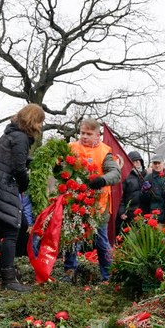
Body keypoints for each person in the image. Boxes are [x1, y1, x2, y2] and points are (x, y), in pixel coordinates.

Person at [0, 103, 45, 292]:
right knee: (12, 229)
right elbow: (18, 168)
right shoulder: (21, 138)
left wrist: (37, 161)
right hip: (3, 185)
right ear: (34, 120)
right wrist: (24, 186)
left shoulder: (11, 133)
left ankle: (2, 266)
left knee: (19, 226)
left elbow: (13, 159)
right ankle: (8, 277)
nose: (41, 126)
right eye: (40, 122)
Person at [63, 118, 122, 282]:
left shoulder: (105, 152)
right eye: (82, 133)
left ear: (98, 135)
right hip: (75, 202)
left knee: (101, 240)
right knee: (72, 237)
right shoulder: (71, 148)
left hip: (98, 205)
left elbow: (115, 173)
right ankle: (70, 271)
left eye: (89, 134)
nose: (84, 137)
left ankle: (108, 276)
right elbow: (59, 165)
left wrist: (102, 180)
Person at [141, 154, 165, 226]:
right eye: (155, 163)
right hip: (155, 216)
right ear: (152, 164)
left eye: (159, 163)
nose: (157, 165)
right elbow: (143, 200)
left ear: (163, 164)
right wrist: (145, 192)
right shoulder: (148, 178)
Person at [117, 151, 147, 233]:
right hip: (130, 212)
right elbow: (121, 197)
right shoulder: (126, 177)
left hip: (144, 211)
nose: (137, 162)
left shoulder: (146, 175)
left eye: (139, 160)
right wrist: (121, 211)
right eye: (135, 161)